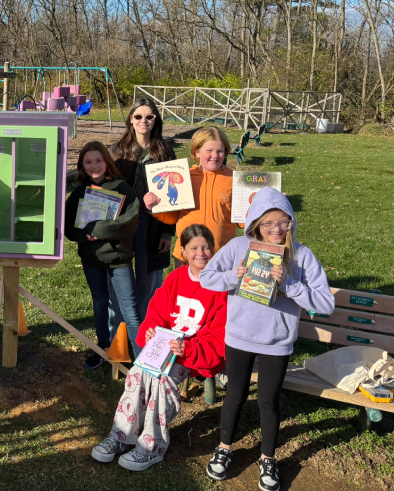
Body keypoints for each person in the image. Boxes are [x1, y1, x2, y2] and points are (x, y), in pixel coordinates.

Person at [200, 188, 334, 491]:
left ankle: (268, 457)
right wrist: (234, 277)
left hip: (276, 340)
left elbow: (325, 304)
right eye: (268, 224)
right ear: (255, 224)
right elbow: (206, 277)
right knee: (234, 395)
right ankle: (224, 448)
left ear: (292, 222)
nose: (276, 230)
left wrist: (290, 285)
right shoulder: (238, 247)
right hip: (239, 335)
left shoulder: (301, 256)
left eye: (283, 222)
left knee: (268, 401)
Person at [91, 224, 226, 471]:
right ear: (183, 251)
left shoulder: (221, 287)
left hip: (191, 355)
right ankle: (122, 435)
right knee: (136, 374)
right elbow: (156, 312)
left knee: (163, 382)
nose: (201, 253)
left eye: (206, 247)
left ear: (213, 249)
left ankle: (152, 447)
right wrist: (151, 329)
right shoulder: (176, 278)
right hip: (163, 350)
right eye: (194, 248)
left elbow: (219, 335)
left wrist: (189, 348)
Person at [65, 141, 140, 369]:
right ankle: (102, 348)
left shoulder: (121, 187)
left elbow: (130, 220)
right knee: (99, 304)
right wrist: (83, 236)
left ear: (107, 162)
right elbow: (69, 227)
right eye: (88, 162)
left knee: (130, 309)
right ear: (82, 166)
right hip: (92, 259)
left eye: (98, 160)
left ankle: (142, 358)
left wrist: (97, 231)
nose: (94, 166)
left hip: (119, 260)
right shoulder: (79, 192)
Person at [110, 97, 177, 324]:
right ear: (130, 119)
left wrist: (168, 233)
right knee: (120, 279)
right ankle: (120, 330)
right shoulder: (118, 151)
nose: (144, 121)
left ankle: (141, 328)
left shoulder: (165, 152)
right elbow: (108, 189)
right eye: (138, 116)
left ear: (156, 120)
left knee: (149, 282)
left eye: (149, 116)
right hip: (124, 222)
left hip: (154, 223)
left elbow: (174, 197)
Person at [146, 127, 236, 268]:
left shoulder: (233, 179)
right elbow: (172, 217)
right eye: (209, 151)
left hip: (221, 256)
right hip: (186, 257)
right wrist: (155, 206)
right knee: (185, 291)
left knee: (218, 291)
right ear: (197, 151)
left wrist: (271, 205)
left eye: (220, 151)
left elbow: (243, 220)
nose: (215, 155)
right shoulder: (184, 177)